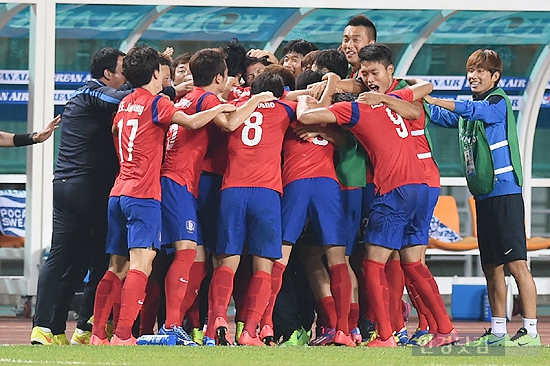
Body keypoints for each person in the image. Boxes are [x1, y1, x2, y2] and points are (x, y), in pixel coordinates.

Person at [297, 44, 459, 348]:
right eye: (364, 73)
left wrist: (306, 97)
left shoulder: (355, 107)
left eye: (374, 72)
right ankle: (445, 329)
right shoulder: (393, 100)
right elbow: (418, 100)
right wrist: (383, 96)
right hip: (419, 186)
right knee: (412, 263)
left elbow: (307, 117)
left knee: (372, 264)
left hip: (394, 189)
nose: (369, 78)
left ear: (389, 72)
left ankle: (386, 335)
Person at [88, 45, 235, 346]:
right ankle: (122, 335)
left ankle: (96, 334)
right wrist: (219, 107)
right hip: (144, 193)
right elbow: (193, 122)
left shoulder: (125, 104)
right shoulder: (158, 104)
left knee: (116, 266)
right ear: (155, 73)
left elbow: (118, 137)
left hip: (119, 191)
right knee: (142, 264)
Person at [158, 48, 274, 345]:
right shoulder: (206, 98)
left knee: (193, 258)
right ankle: (171, 327)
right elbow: (231, 123)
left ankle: (185, 326)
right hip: (179, 181)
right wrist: (257, 99)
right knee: (188, 255)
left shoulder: (186, 96)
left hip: (179, 181)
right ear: (220, 77)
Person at [426, 49, 541, 347]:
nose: (473, 76)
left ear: (495, 76)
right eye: (470, 70)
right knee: (491, 267)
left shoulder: (497, 102)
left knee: (517, 264)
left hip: (506, 193)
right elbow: (442, 116)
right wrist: (416, 99)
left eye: (480, 71)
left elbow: (474, 112)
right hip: (484, 195)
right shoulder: (470, 109)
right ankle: (499, 331)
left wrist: (437, 98)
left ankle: (531, 332)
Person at [30, 47, 129, 346]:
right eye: (124, 70)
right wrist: (150, 84)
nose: (126, 77)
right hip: (83, 186)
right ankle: (67, 326)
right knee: (83, 257)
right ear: (108, 74)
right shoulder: (91, 91)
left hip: (75, 185)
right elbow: (120, 98)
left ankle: (54, 329)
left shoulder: (92, 96)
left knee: (75, 259)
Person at [204, 72, 296, 346]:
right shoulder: (285, 108)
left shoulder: (236, 104)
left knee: (227, 261)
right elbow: (304, 101)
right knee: (263, 266)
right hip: (266, 193)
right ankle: (251, 330)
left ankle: (217, 320)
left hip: (232, 189)